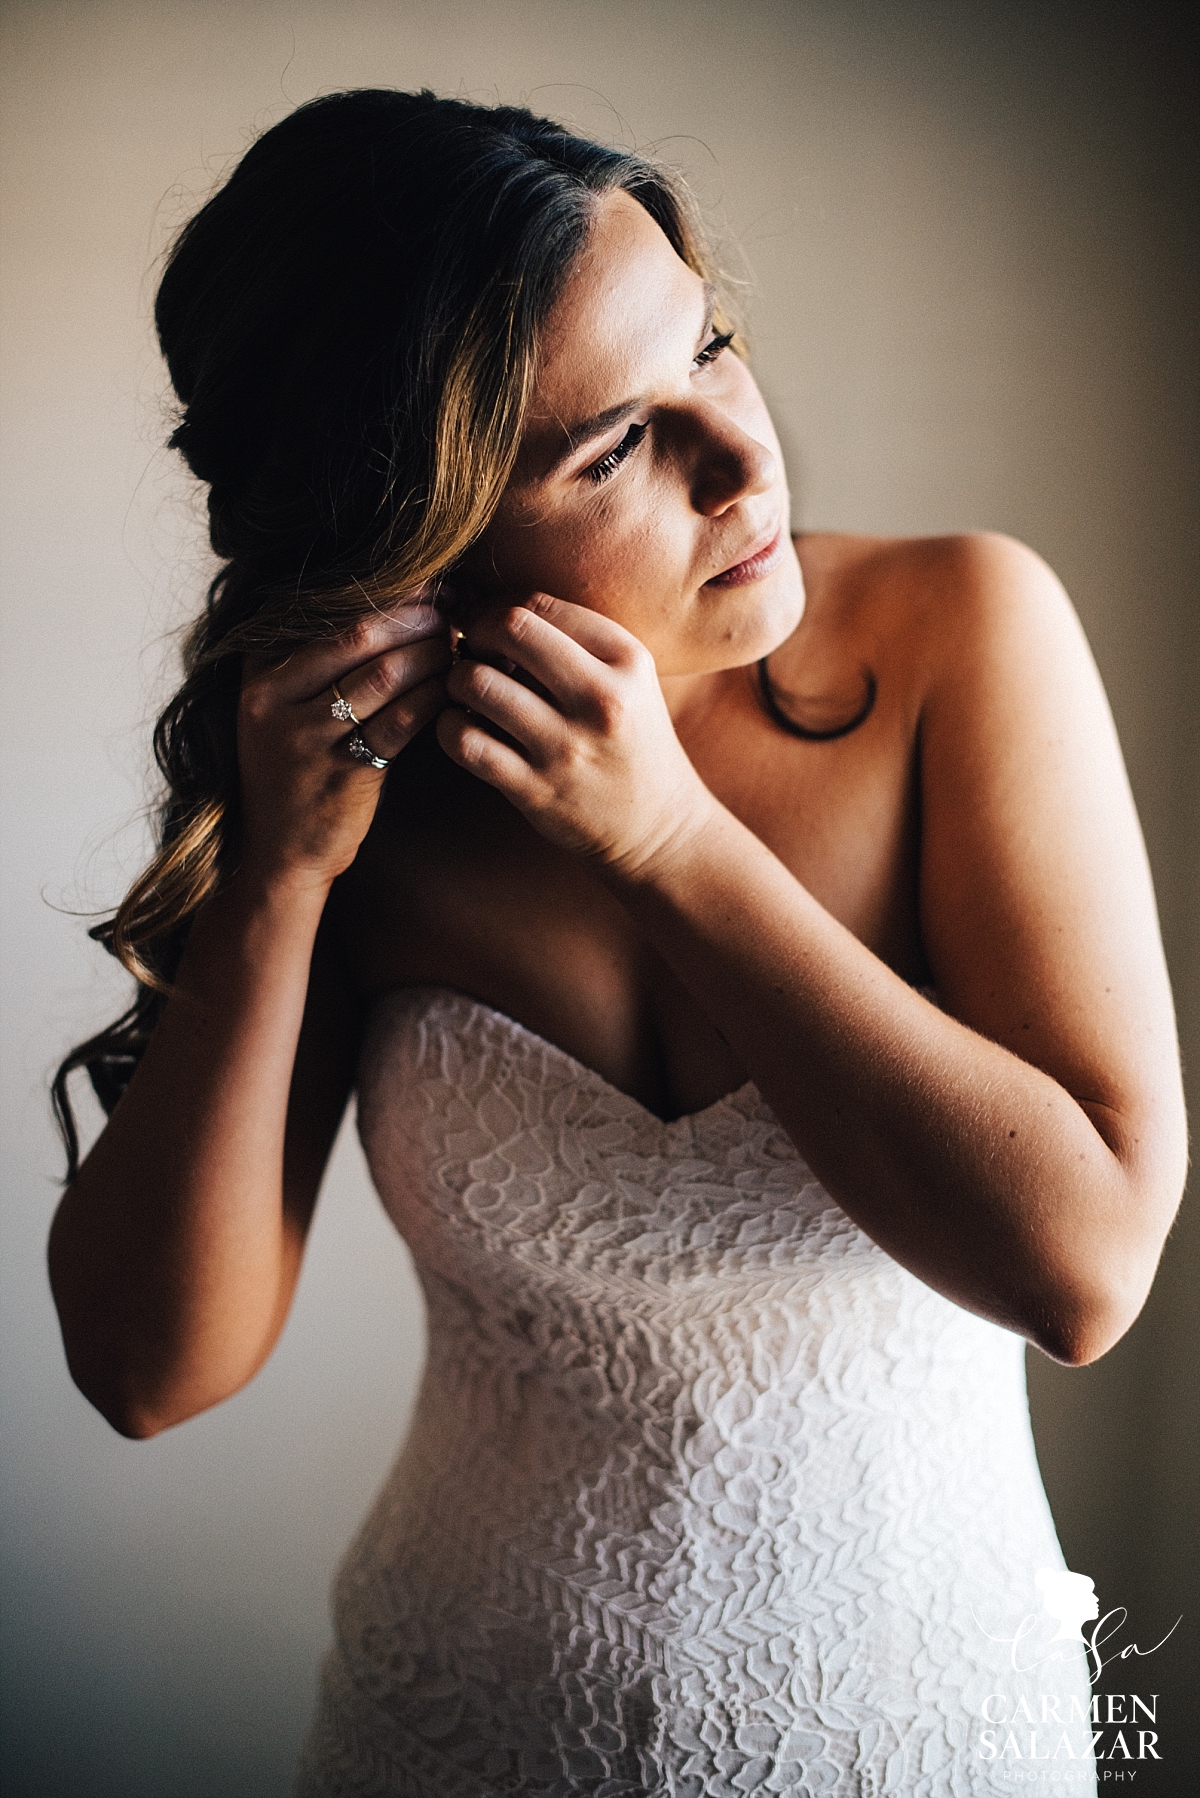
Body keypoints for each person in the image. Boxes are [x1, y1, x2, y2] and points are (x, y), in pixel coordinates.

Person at [48, 89, 1185, 1796]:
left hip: (927, 1720)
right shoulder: (362, 808)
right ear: (421, 551)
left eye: (712, 344)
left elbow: (1086, 1266)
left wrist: (668, 840)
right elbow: (150, 1368)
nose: (746, 453)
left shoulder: (968, 631)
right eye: (613, 448)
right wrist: (279, 883)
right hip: (455, 1729)